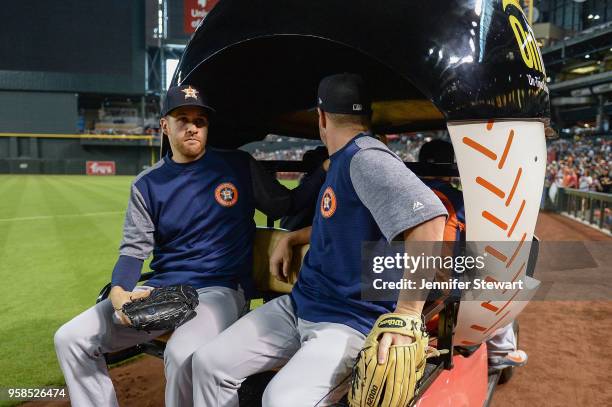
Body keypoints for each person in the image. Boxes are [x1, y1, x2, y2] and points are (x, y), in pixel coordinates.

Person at [53, 84, 326, 407]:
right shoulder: (147, 184)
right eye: (182, 118)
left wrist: (322, 170)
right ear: (165, 126)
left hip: (220, 291)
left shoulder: (237, 166)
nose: (193, 126)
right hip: (160, 289)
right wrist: (119, 291)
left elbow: (285, 205)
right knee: (70, 339)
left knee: (182, 354)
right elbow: (133, 251)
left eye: (200, 120)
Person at [191, 73, 447, 406]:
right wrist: (293, 237)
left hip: (348, 321)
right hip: (300, 304)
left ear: (321, 117)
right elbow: (343, 222)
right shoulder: (344, 159)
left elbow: (430, 218)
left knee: (280, 400)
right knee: (209, 363)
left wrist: (408, 314)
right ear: (365, 117)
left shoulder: (365, 157)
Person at [418, 139, 528, 372]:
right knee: (503, 284)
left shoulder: (398, 194)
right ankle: (500, 353)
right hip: (438, 312)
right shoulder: (459, 201)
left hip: (387, 300)